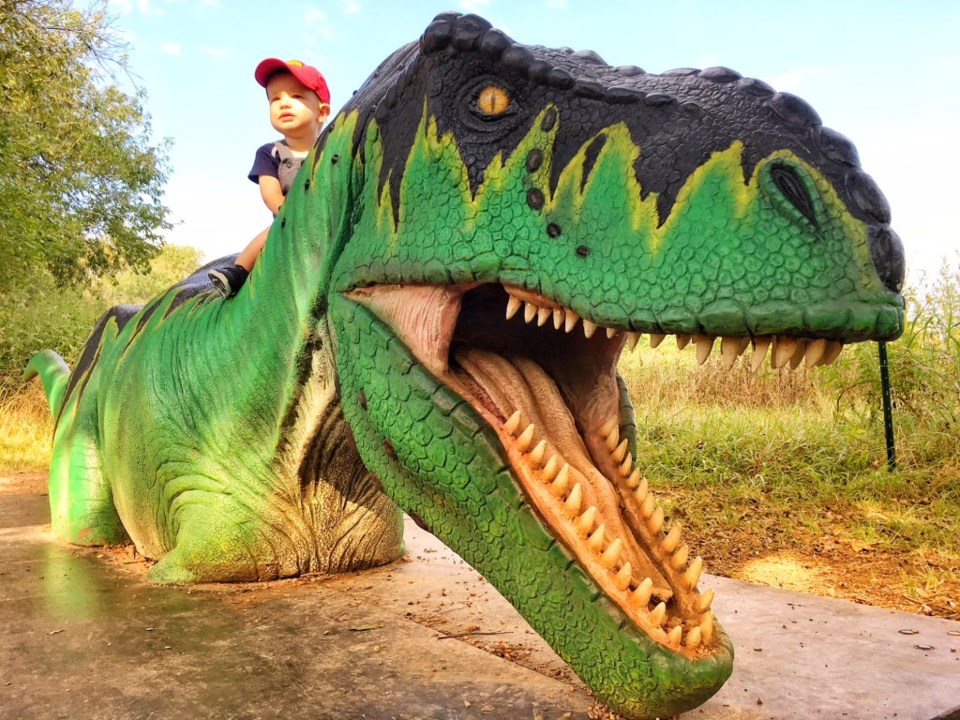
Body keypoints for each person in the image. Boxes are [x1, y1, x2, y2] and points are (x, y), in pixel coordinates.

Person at [208, 58, 331, 297]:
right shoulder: (270, 152)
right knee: (268, 235)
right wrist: (286, 208)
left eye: (296, 97)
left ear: (322, 111)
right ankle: (238, 271)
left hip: (328, 219)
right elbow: (270, 191)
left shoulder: (332, 151)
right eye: (275, 98)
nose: (284, 103)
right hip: (288, 222)